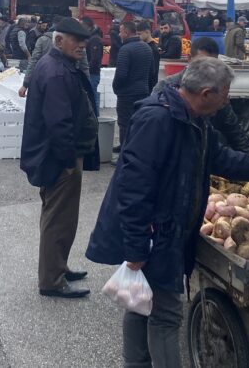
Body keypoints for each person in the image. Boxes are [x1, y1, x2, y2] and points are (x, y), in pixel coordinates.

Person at [86, 57, 249, 365]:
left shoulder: (195, 120)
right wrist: (135, 246)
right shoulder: (159, 120)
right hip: (156, 234)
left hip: (168, 230)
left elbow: (223, 159)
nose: (227, 101)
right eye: (224, 94)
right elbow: (132, 189)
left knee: (140, 303)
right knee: (167, 315)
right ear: (206, 93)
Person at [19, 18, 99, 299]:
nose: (82, 46)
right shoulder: (56, 72)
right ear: (58, 41)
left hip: (60, 156)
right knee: (58, 220)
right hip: (59, 159)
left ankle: (57, 266)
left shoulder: (60, 66)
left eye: (84, 41)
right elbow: (58, 123)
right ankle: (52, 280)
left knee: (60, 218)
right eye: (76, 40)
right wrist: (67, 163)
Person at [151, 36, 249, 154]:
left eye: (213, 64)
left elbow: (234, 132)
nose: (207, 70)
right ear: (190, 59)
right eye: (202, 63)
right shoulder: (165, 88)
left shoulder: (218, 92)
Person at [113, 21, 154, 146]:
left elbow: (121, 75)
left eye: (120, 31)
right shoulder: (147, 48)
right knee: (139, 124)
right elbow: (152, 72)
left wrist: (116, 89)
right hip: (143, 93)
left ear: (126, 32)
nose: (119, 35)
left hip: (127, 95)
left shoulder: (125, 50)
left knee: (125, 125)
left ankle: (124, 156)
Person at [82, 17, 104, 108]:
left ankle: (96, 119)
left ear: (87, 26)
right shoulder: (90, 37)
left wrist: (87, 69)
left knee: (92, 97)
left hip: (93, 74)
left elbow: (95, 59)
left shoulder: (95, 39)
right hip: (91, 73)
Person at [137, 21, 160, 89]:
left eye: (139, 34)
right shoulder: (144, 46)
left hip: (149, 86)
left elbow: (153, 72)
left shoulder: (153, 49)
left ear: (147, 32)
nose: (138, 37)